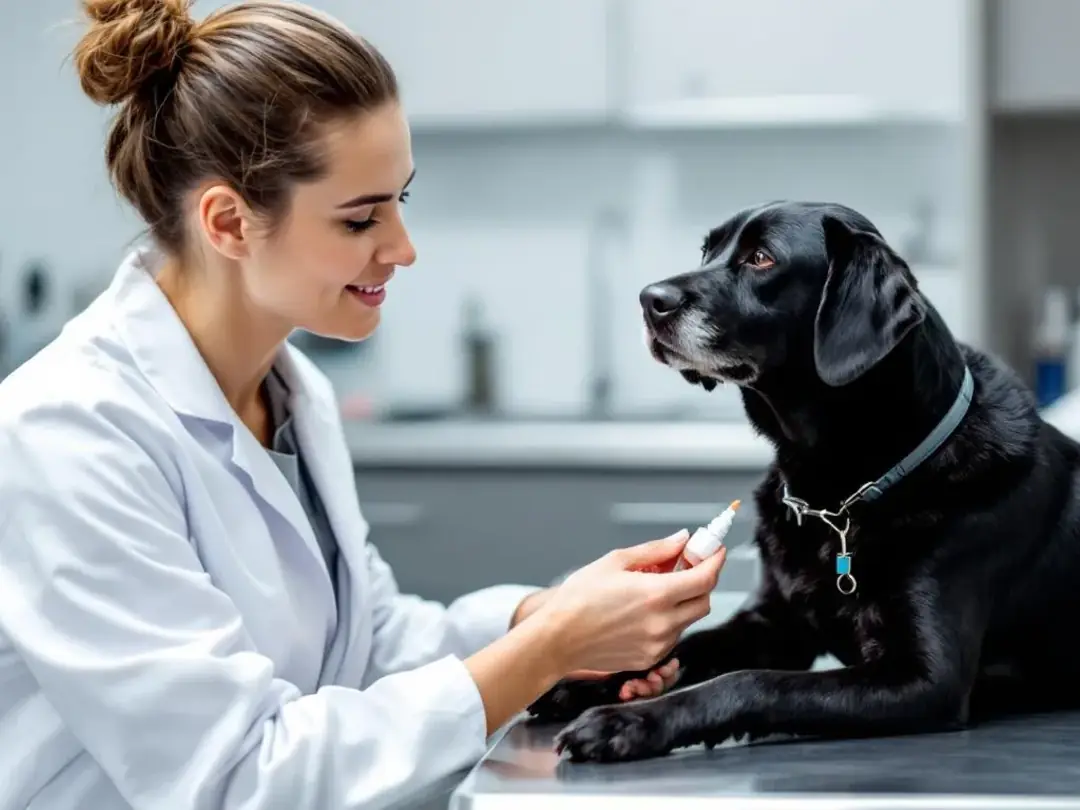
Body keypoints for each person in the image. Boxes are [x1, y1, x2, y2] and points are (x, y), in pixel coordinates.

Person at [0, 0, 728, 808]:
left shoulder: (290, 389)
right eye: (360, 218)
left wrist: (544, 617)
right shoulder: (66, 434)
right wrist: (546, 648)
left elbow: (367, 646)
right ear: (229, 222)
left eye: (399, 201)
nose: (402, 248)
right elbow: (240, 777)